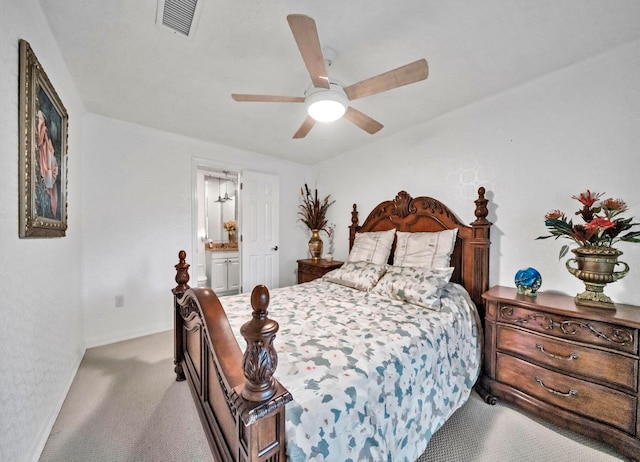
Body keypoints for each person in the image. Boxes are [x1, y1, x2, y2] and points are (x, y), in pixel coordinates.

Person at [37, 109, 59, 218]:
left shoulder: (49, 148)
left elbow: (52, 175)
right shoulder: (42, 148)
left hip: (48, 182)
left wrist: (50, 175)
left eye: (41, 126)